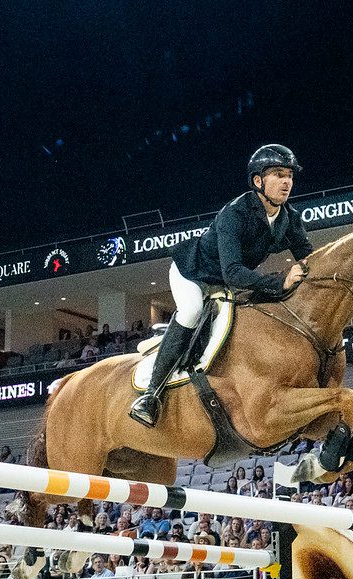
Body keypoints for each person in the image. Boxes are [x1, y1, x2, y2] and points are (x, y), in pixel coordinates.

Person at [131, 144, 312, 427]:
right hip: (192, 274)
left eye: (289, 175)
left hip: (226, 284)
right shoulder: (235, 213)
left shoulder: (289, 218)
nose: (287, 181)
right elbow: (233, 273)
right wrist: (281, 280)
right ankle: (150, 396)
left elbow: (308, 257)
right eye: (278, 174)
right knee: (191, 310)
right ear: (258, 180)